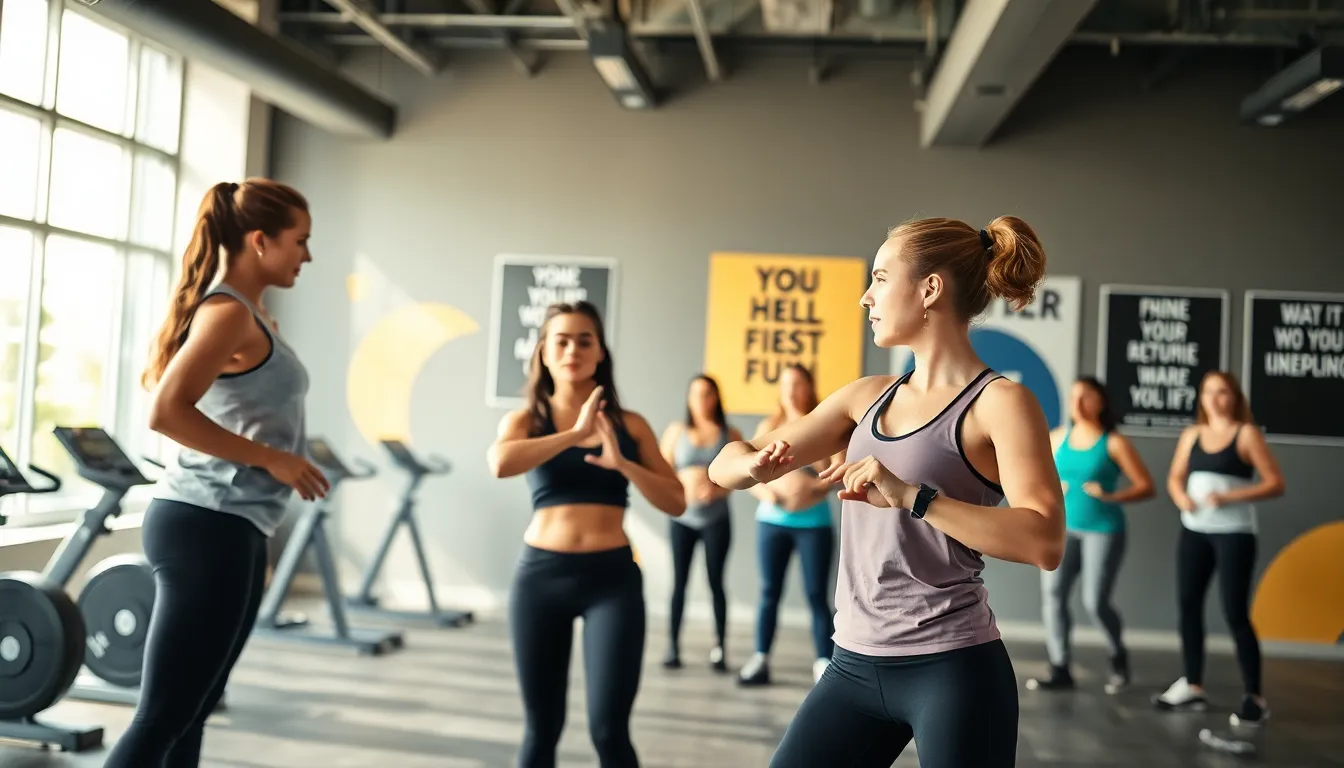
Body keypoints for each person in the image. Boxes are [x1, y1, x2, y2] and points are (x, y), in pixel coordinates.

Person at [710, 216, 1066, 768]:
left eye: (879, 277)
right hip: (851, 663)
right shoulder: (866, 397)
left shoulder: (1000, 403)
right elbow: (722, 466)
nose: (864, 296)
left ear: (930, 288)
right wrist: (754, 466)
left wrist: (913, 496)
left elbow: (1043, 541)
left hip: (953, 668)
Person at [105, 179, 330, 767]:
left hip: (235, 525)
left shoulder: (251, 316)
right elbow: (166, 411)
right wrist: (273, 458)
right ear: (261, 241)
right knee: (161, 719)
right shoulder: (229, 313)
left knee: (192, 713)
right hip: (207, 524)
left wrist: (283, 456)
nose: (308, 255)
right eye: (300, 241)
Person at [487, 301, 686, 768]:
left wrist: (624, 464)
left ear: (600, 353)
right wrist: (574, 433)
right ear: (543, 353)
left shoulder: (629, 425)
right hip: (540, 578)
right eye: (561, 340)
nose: (572, 349)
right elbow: (500, 463)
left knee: (608, 730)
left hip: (612, 580)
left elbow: (676, 500)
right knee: (542, 728)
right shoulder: (525, 421)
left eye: (584, 340)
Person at [1152, 370, 1284, 727]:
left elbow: (1275, 483)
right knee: (1189, 606)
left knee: (1235, 612)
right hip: (1195, 531)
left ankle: (1254, 696)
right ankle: (1193, 685)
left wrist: (1228, 496)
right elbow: (1175, 476)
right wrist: (1180, 497)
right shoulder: (1192, 434)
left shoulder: (1246, 434)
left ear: (1234, 397)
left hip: (1234, 533)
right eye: (1208, 391)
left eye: (1222, 391)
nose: (1214, 398)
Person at [1026, 375, 1154, 694]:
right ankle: (1060, 667)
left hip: (1103, 530)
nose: (1078, 403)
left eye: (1086, 397)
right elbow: (1033, 479)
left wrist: (1111, 496)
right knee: (1053, 595)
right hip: (1062, 529)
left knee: (1095, 602)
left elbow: (1146, 486)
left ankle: (1117, 653)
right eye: (1074, 397)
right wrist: (1054, 488)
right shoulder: (1057, 438)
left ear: (1101, 402)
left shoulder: (1113, 443)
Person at [737, 363, 840, 687]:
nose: (791, 390)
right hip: (773, 522)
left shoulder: (824, 421)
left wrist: (817, 488)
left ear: (809, 386)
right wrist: (768, 494)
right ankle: (760, 658)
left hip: (814, 523)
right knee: (769, 591)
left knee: (815, 594)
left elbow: (840, 466)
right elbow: (746, 472)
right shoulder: (771, 424)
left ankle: (824, 662)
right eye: (785, 384)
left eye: (797, 383)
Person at [658, 374, 740, 672]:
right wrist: (682, 486)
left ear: (715, 398)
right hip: (682, 518)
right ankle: (672, 647)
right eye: (695, 394)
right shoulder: (676, 431)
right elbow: (662, 471)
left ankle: (719, 649)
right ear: (688, 398)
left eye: (707, 394)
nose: (701, 400)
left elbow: (739, 477)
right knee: (679, 583)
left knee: (716, 583)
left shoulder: (729, 434)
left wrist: (717, 490)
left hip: (716, 519)